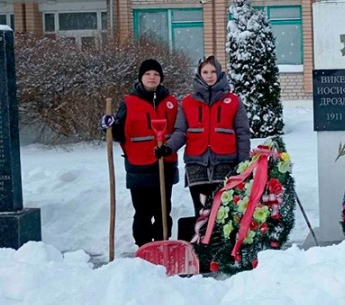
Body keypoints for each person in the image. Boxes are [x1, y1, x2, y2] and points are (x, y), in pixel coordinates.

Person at [156, 56, 251, 217]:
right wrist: (169, 147)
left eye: (213, 71)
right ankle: (201, 234)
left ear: (219, 73)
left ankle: (218, 235)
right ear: (199, 74)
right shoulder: (188, 102)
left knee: (224, 214)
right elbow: (181, 131)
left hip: (225, 164)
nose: (209, 75)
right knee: (201, 212)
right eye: (205, 72)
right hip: (196, 165)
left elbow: (243, 134)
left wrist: (243, 163)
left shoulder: (233, 101)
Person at [101, 59, 180, 246]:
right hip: (139, 166)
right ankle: (143, 247)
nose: (152, 77)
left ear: (161, 78)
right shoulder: (129, 103)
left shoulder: (171, 102)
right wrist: (108, 127)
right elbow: (118, 133)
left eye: (156, 74)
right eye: (147, 74)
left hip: (165, 164)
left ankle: (162, 245)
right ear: (140, 77)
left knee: (163, 210)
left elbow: (179, 130)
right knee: (143, 212)